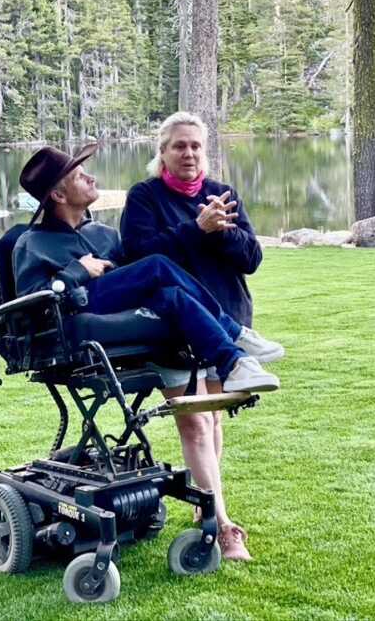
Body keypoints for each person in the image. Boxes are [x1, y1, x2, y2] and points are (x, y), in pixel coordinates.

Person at [119, 112, 280, 561]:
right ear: (163, 152)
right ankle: (223, 525)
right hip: (172, 329)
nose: (188, 154)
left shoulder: (222, 195)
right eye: (179, 146)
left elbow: (251, 259)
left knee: (211, 421)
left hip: (226, 322)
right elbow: (137, 258)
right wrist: (195, 229)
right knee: (192, 421)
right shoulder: (145, 197)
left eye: (195, 146)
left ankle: (207, 506)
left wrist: (222, 232)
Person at [11, 143, 283, 397]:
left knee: (173, 295)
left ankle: (234, 364)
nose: (92, 178)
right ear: (58, 195)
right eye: (80, 177)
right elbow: (30, 308)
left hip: (117, 307)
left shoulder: (103, 234)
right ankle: (236, 333)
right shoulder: (32, 243)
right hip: (74, 310)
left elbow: (134, 277)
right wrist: (76, 272)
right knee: (156, 265)